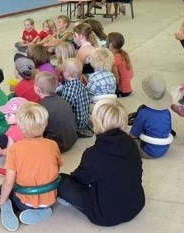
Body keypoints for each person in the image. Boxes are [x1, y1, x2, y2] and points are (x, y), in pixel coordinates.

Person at [57, 98, 145, 226]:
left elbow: (79, 178)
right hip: (135, 204)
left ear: (96, 122)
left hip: (104, 215)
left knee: (61, 181)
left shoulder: (93, 154)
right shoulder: (132, 144)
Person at [0, 102, 62, 231]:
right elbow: (57, 168)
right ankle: (44, 210)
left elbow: (9, 181)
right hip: (49, 198)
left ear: (19, 127)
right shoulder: (53, 144)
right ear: (45, 124)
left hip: (24, 202)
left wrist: (2, 199)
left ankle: (6, 206)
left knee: (5, 193)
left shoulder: (14, 149)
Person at [130, 73, 174, 158]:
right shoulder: (166, 111)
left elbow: (133, 135)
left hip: (147, 150)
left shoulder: (144, 113)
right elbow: (169, 129)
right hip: (164, 147)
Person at [34, 72, 78, 153]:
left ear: (37, 89)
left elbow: (38, 130)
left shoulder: (41, 107)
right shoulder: (62, 99)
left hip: (57, 146)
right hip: (72, 140)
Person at [61, 58, 93, 138]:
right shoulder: (82, 85)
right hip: (84, 118)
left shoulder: (69, 91)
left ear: (67, 74)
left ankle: (77, 131)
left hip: (77, 123)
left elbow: (65, 109)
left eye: (63, 71)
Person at [106, 32, 133, 97]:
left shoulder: (114, 59)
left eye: (107, 42)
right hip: (130, 87)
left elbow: (116, 81)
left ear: (111, 45)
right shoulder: (123, 53)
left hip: (123, 91)